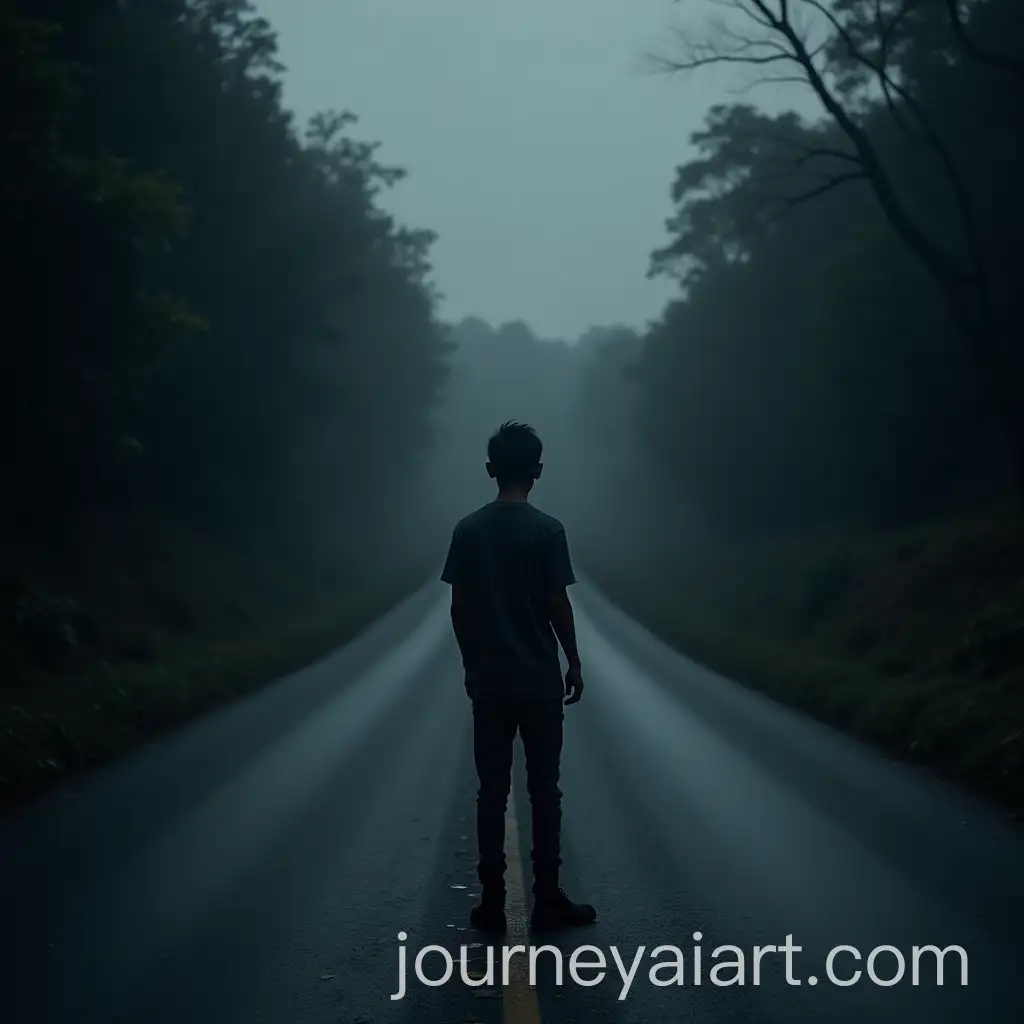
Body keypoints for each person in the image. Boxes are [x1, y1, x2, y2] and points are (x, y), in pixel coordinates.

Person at [440, 421, 597, 934]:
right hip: (537, 682)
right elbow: (557, 603)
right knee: (543, 789)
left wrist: (470, 664)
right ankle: (548, 898)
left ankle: (491, 902)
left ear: (490, 470)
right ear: (538, 471)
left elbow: (459, 608)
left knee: (491, 791)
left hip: (490, 681)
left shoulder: (468, 530)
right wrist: (571, 660)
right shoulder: (548, 531)